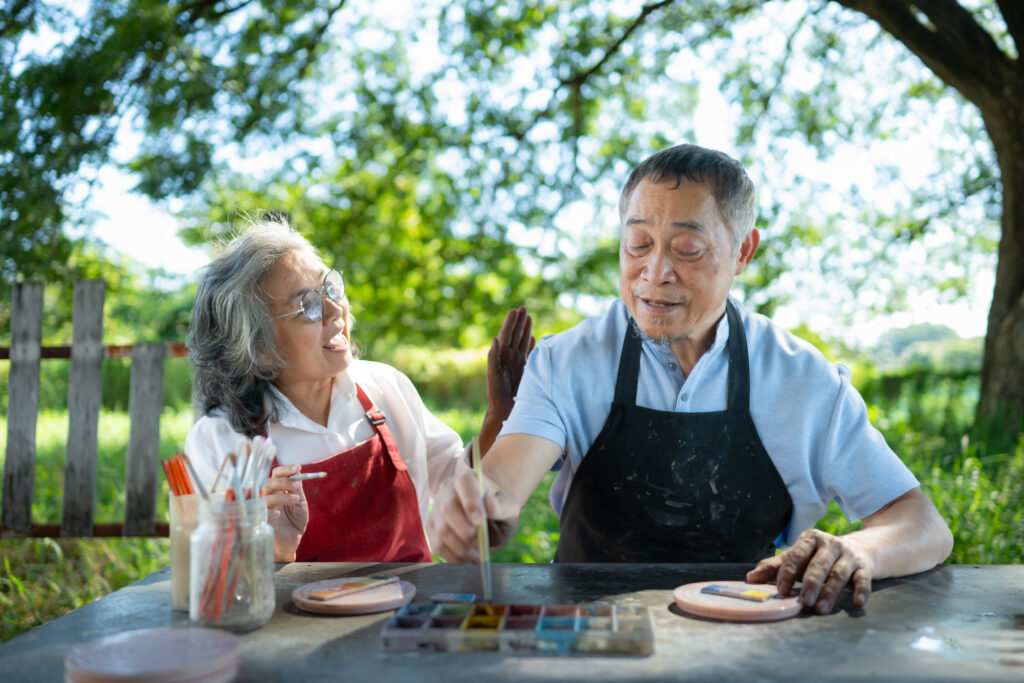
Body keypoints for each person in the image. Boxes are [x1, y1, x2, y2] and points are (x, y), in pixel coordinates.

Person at [427, 143, 953, 614]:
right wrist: (480, 506)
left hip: (747, 632)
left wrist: (859, 549)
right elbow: (503, 478)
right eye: (637, 244)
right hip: (588, 634)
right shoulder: (568, 360)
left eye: (687, 249)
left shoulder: (804, 382)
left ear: (743, 252)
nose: (655, 272)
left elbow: (922, 524)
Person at [185, 215, 534, 563]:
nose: (336, 310)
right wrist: (278, 552)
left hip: (411, 612)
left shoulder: (386, 386)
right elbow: (221, 585)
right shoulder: (219, 441)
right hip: (298, 618)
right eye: (308, 305)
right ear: (260, 345)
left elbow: (459, 484)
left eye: (331, 289)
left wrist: (499, 416)